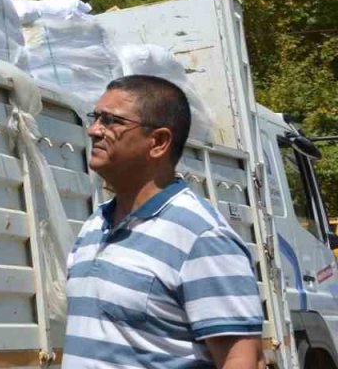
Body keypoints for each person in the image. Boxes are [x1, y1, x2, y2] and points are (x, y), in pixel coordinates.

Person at [64, 75, 263, 368]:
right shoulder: (94, 225)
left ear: (158, 142)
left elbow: (243, 360)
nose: (94, 130)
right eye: (95, 118)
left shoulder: (201, 236)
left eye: (111, 121)